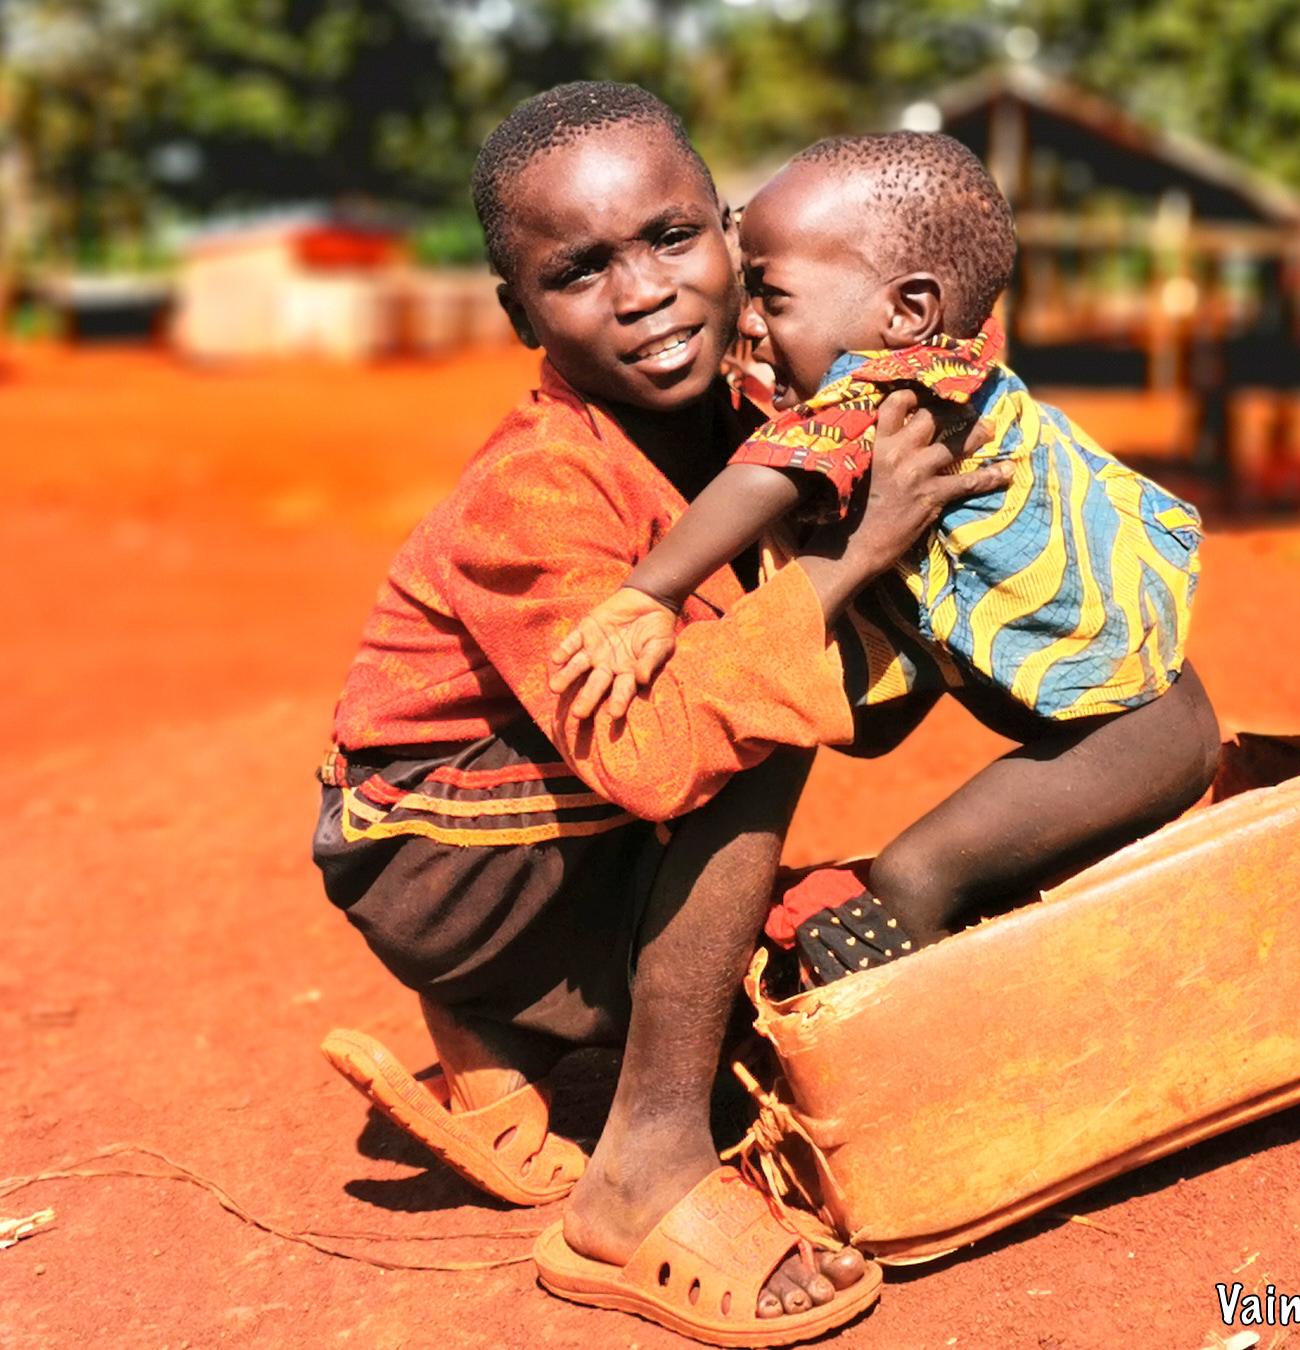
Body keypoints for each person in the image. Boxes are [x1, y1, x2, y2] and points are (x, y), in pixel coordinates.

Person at [311, 83, 1011, 1344]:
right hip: (433, 855)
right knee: (742, 713)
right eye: (580, 271)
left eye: (672, 238)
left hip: (549, 822)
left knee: (799, 684)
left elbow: (955, 323)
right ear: (519, 312)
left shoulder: (767, 399)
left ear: (730, 235)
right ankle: (642, 1170)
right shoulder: (536, 489)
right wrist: (847, 559)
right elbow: (659, 751)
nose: (643, 292)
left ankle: (510, 1030)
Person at [550, 132, 1222, 985]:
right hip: (1125, 715)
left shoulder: (899, 389)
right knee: (985, 860)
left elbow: (773, 470)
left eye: (771, 296)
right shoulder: (950, 359)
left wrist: (652, 591)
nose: (747, 320)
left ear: (906, 313)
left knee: (917, 872)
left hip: (1134, 735)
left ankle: (908, 985)